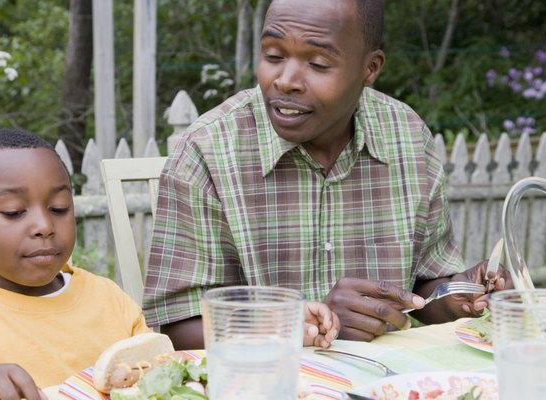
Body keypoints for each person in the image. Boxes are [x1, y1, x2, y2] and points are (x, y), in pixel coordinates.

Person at [143, 0, 512, 350]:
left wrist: (454, 296)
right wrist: (296, 324)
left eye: (318, 63)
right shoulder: (208, 151)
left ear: (370, 68)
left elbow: (424, 285)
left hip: (387, 381)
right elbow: (180, 327)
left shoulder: (407, 137)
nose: (285, 80)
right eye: (273, 55)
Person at [0, 129, 340, 400]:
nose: (44, 226)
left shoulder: (107, 299)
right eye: (14, 213)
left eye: (60, 208)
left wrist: (272, 328)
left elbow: (164, 375)